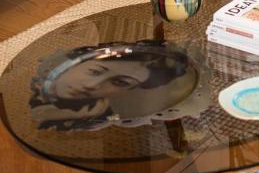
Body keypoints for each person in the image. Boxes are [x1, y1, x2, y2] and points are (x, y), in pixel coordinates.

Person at [29, 41, 193, 131]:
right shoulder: (34, 75)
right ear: (79, 61)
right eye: (94, 71)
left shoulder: (102, 116)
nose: (92, 85)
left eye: (120, 82)